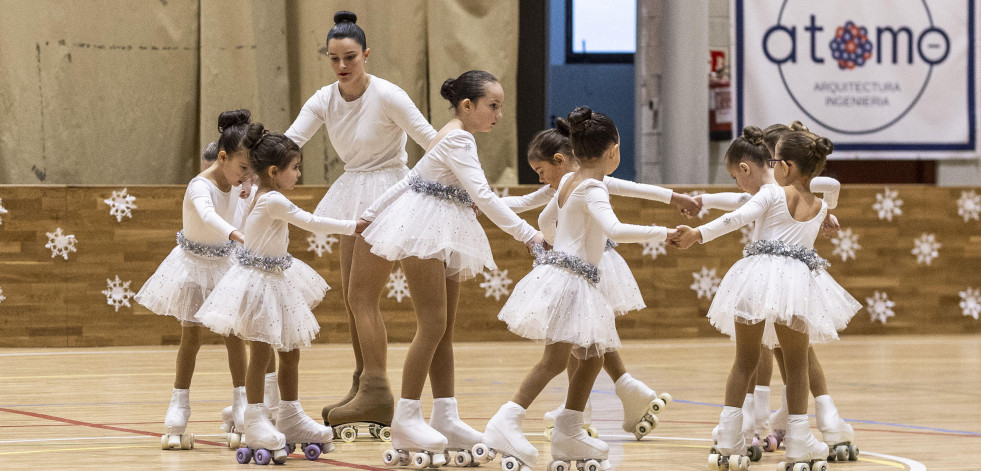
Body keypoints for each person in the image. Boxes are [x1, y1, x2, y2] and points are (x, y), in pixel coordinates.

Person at [338, 70, 544, 467]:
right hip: (423, 227)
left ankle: (445, 415)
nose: (499, 115)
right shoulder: (459, 137)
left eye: (501, 106)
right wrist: (529, 237)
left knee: (444, 326)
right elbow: (482, 195)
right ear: (467, 106)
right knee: (432, 324)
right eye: (493, 106)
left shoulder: (449, 134)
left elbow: (420, 181)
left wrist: (373, 210)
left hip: (439, 222)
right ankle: (407, 417)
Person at [477, 107, 676, 471]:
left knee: (593, 354)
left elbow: (547, 220)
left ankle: (569, 427)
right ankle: (506, 420)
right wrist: (665, 232)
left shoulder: (570, 181)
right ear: (613, 151)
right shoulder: (590, 186)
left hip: (572, 275)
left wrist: (554, 245)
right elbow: (615, 230)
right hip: (572, 279)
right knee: (555, 360)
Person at [283, 10, 438, 427]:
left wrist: (464, 186)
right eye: (334, 59)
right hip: (352, 190)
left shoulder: (388, 95)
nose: (342, 66)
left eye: (350, 57)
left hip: (388, 192)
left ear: (366, 54)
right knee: (353, 301)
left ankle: (377, 392)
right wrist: (249, 168)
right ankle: (361, 384)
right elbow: (289, 143)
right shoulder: (324, 98)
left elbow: (432, 141)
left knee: (362, 298)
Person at [673, 127, 860, 470]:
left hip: (756, 280)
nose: (769, 165)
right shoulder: (819, 207)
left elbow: (737, 218)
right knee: (797, 363)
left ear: (786, 166)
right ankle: (800, 440)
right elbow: (739, 210)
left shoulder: (773, 194)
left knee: (745, 360)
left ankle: (730, 438)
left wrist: (698, 233)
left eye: (773, 160)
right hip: (795, 287)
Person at [502, 119, 701, 440]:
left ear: (562, 159)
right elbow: (531, 208)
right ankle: (585, 410)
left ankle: (582, 413)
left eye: (540, 170)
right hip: (576, 268)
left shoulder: (581, 182)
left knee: (588, 343)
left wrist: (674, 198)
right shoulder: (579, 182)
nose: (539, 177)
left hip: (595, 264)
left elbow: (632, 189)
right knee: (582, 343)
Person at [195, 124, 357, 464]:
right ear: (273, 171)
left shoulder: (260, 190)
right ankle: (254, 418)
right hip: (258, 282)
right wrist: (354, 226)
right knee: (262, 352)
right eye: (294, 168)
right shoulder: (272, 199)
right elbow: (311, 222)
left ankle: (291, 415)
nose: (298, 174)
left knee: (290, 350)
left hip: (277, 276)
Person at [134, 110, 254, 451]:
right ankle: (178, 406)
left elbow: (245, 208)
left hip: (225, 262)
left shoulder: (240, 185)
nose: (247, 176)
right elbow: (206, 214)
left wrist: (247, 200)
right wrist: (234, 232)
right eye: (243, 169)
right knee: (192, 336)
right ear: (222, 157)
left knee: (234, 334)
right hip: (193, 265)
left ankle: (242, 400)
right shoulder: (199, 185)